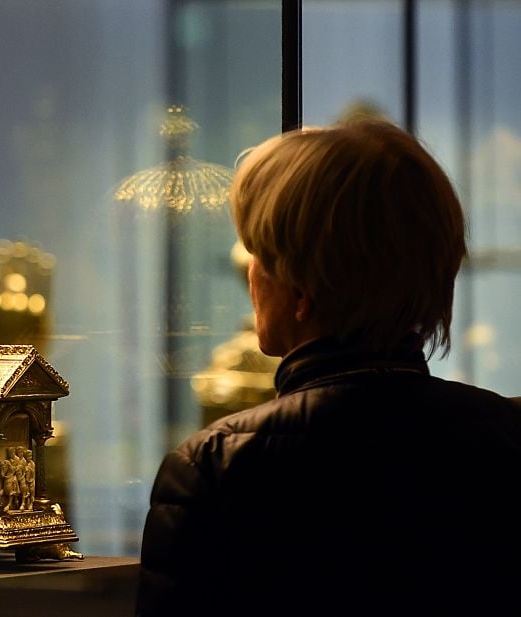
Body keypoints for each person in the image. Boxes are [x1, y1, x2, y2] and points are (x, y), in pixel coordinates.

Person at [138, 120, 521, 615]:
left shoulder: (215, 467)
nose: (250, 272)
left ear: (301, 290)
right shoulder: (509, 439)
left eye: (258, 251)